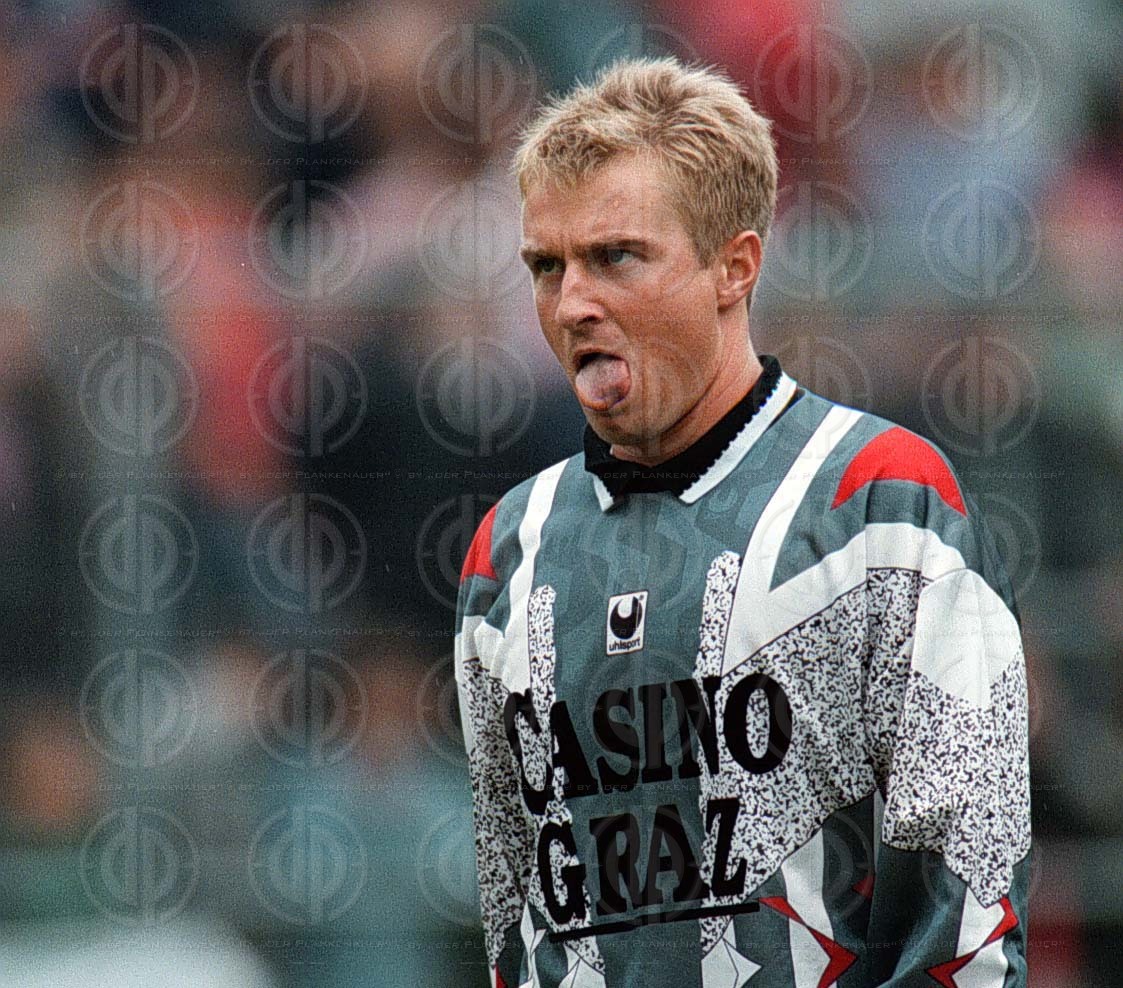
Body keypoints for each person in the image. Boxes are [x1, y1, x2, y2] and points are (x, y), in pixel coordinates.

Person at [454, 57, 1030, 988]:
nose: (571, 303)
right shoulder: (506, 550)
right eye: (545, 266)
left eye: (615, 256)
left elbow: (967, 892)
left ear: (735, 266)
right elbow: (511, 915)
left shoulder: (881, 501)